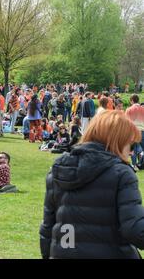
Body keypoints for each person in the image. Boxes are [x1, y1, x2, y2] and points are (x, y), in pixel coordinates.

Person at [40, 110, 144, 259]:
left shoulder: (58, 170)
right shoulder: (121, 174)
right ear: (118, 141)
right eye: (131, 145)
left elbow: (47, 229)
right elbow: (135, 230)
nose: (131, 152)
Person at [126, 94, 144, 171]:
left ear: (132, 100)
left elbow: (126, 122)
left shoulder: (129, 109)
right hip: (142, 130)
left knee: (133, 149)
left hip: (133, 131)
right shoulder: (143, 109)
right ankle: (140, 163)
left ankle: (134, 164)